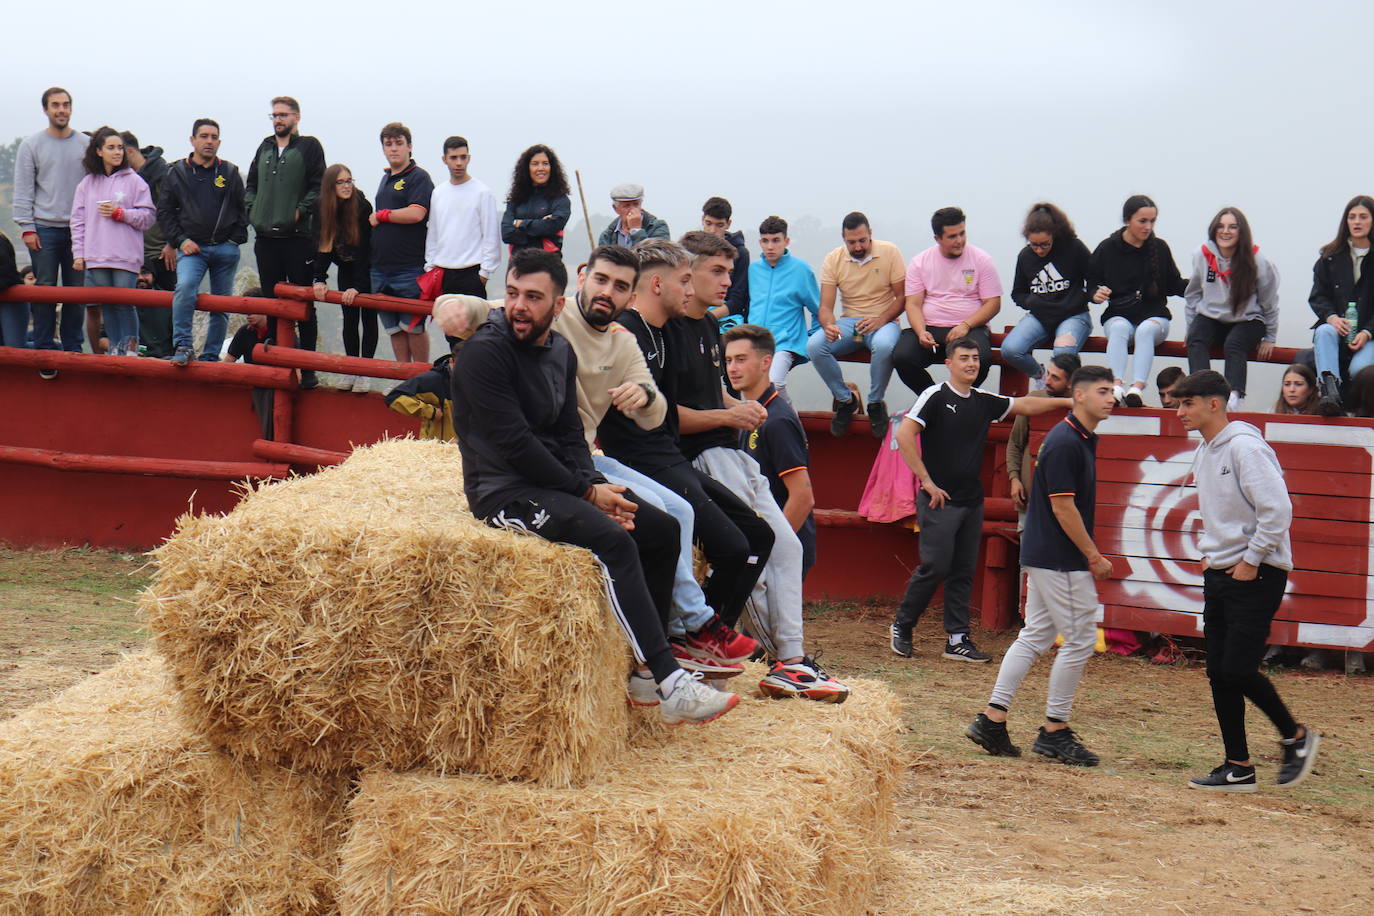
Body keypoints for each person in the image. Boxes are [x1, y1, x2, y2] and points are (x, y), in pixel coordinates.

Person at [448, 248, 737, 726]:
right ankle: (671, 681)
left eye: (534, 298)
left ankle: (645, 673)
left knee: (661, 527)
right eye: (514, 294)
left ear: (557, 305)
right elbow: (516, 444)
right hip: (503, 492)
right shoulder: (484, 352)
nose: (520, 306)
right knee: (613, 540)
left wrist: (594, 484)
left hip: (556, 482)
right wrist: (587, 495)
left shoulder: (560, 351)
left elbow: (568, 436)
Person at [674, 230, 849, 702]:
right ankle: (776, 661)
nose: (730, 280)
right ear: (686, 277)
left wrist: (736, 405)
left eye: (730, 270)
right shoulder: (667, 332)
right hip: (700, 459)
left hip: (731, 453)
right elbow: (662, 416)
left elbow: (714, 397)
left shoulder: (711, 328)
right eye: (719, 271)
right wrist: (731, 412)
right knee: (752, 547)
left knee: (787, 547)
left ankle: (791, 660)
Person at [595, 239, 775, 675]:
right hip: (642, 460)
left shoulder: (663, 330)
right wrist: (725, 413)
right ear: (658, 284)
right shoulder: (629, 332)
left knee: (759, 536)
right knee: (726, 543)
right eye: (686, 281)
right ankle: (686, 637)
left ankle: (704, 637)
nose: (691, 291)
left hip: (666, 455)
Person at [1173, 370, 1321, 792]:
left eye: (1188, 403)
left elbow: (1277, 509)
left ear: (1213, 404)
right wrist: (1209, 555)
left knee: (1236, 668)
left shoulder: (1244, 447)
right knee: (1220, 672)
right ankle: (1238, 766)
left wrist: (1252, 559)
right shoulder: (1206, 449)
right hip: (1222, 570)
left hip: (1254, 573)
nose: (1180, 411)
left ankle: (1296, 737)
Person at [965, 364, 1117, 766]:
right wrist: (1093, 556)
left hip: (1046, 553)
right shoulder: (1068, 441)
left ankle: (993, 718)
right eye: (1103, 391)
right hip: (1060, 557)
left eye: (1112, 391)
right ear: (1080, 395)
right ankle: (1054, 729)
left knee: (1035, 636)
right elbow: (1063, 507)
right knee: (1081, 640)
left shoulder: (1071, 437)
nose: (1111, 397)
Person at [889, 337, 1072, 663]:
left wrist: (1068, 404)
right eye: (964, 358)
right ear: (949, 363)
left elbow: (1025, 406)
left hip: (971, 501)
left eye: (975, 358)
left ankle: (957, 640)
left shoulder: (982, 399)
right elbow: (904, 435)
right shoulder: (934, 395)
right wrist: (927, 482)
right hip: (939, 500)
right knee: (935, 566)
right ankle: (903, 625)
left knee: (962, 570)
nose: (971, 364)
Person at [723, 324, 817, 578]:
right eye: (729, 360)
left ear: (766, 362)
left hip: (780, 556)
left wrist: (772, 552)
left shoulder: (777, 420)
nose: (732, 368)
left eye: (741, 360)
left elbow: (803, 497)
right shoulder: (751, 413)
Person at [245, 96, 325, 387]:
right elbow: (251, 182)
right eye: (274, 115)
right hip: (266, 238)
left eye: (284, 115)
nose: (278, 119)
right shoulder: (265, 146)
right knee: (272, 303)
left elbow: (319, 186)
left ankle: (308, 367)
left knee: (303, 304)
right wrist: (251, 208)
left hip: (298, 238)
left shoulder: (310, 147)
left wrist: (300, 211)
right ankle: (278, 361)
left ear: (297, 117)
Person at [158, 118, 247, 367]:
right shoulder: (176, 172)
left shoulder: (229, 172)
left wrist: (234, 241)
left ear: (219, 142)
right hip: (191, 248)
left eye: (214, 137)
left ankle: (210, 355)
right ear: (192, 140)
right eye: (204, 136)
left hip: (225, 249)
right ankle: (184, 345)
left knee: (222, 302)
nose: (209, 141)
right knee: (185, 288)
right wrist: (180, 240)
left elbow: (243, 208)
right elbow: (165, 212)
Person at [808, 212, 906, 437]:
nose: (858, 246)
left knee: (883, 346)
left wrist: (880, 320)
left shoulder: (890, 252)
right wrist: (828, 325)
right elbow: (825, 307)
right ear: (843, 239)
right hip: (850, 322)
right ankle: (845, 399)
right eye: (852, 242)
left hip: (884, 319)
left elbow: (902, 298)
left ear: (870, 234)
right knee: (815, 346)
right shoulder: (834, 259)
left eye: (863, 240)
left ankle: (874, 402)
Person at [893, 207, 1004, 400]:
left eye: (962, 233)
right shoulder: (920, 262)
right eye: (952, 236)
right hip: (930, 328)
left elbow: (993, 303)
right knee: (902, 357)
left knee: (982, 359)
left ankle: (960, 399)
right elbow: (913, 304)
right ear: (937, 238)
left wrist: (966, 325)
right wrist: (920, 332)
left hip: (969, 327)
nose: (959, 240)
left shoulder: (981, 260)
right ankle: (935, 399)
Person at [1089, 194, 1188, 407]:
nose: (1148, 227)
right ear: (1127, 220)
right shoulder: (1108, 248)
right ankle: (1116, 386)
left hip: (1155, 318)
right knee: (1119, 328)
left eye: (1152, 221)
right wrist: (1094, 294)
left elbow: (1174, 284)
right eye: (1143, 221)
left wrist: (1203, 287)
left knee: (1145, 330)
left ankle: (1137, 388)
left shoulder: (1159, 248)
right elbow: (1090, 283)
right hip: (1118, 315)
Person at [14, 87, 86, 360]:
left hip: (77, 229)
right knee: (44, 289)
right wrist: (27, 227)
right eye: (55, 105)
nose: (61, 110)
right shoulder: (31, 145)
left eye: (66, 105)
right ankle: (44, 349)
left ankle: (73, 349)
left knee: (75, 292)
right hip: (43, 226)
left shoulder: (85, 145)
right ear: (46, 109)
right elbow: (23, 190)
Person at [70, 127, 156, 356]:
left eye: (120, 148)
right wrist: (79, 254)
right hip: (96, 257)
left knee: (125, 304)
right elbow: (77, 221)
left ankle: (130, 351)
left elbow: (148, 218)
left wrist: (121, 213)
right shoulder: (86, 184)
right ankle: (116, 351)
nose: (117, 152)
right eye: (111, 148)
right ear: (98, 151)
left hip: (126, 257)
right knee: (107, 305)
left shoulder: (135, 182)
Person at [1184, 207, 1279, 411]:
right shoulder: (1201, 255)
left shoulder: (1256, 260)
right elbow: (1192, 294)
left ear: (1241, 231)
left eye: (1232, 227)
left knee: (1234, 344)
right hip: (1212, 316)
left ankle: (1234, 396)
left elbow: (1269, 299)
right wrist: (1191, 326)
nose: (1225, 231)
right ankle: (1201, 391)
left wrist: (1270, 337)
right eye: (1221, 226)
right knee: (1196, 338)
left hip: (1248, 318)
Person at [998, 203, 1093, 388]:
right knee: (1010, 349)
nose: (1040, 250)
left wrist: (1089, 295)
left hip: (1073, 315)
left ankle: (1067, 394)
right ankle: (1042, 376)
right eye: (1034, 245)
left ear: (1054, 235)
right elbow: (1018, 293)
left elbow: (1094, 277)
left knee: (1062, 354)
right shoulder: (1025, 256)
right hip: (1040, 316)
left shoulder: (1073, 247)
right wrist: (1031, 302)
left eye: (1045, 244)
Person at [370, 122, 435, 364]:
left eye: (399, 143)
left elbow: (417, 213)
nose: (394, 149)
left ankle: (419, 378)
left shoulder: (418, 177)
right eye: (389, 144)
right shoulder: (385, 178)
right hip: (380, 267)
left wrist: (382, 215)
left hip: (409, 267)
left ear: (410, 147)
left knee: (413, 327)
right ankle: (401, 378)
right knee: (394, 330)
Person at [1308, 195, 1374, 412]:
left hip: (1370, 333)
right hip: (1337, 328)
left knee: (1360, 370)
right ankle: (1329, 395)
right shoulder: (1329, 257)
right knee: (1324, 332)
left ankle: (1359, 413)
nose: (1357, 222)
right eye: (1352, 217)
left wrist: (1367, 332)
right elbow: (1318, 296)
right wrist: (1332, 318)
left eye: (1363, 217)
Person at [312, 163, 375, 391]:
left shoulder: (362, 207)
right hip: (346, 266)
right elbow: (324, 246)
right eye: (341, 182)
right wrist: (319, 279)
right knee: (349, 318)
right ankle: (350, 369)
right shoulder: (322, 207)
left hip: (367, 266)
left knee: (368, 317)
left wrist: (358, 287)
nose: (347, 186)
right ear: (331, 186)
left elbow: (365, 249)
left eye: (349, 180)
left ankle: (364, 371)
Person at [425, 136, 500, 317]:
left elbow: (491, 236)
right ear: (444, 159)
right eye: (453, 158)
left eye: (463, 157)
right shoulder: (438, 192)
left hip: (472, 272)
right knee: (451, 331)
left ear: (469, 158)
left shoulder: (482, 192)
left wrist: (484, 274)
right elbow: (434, 232)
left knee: (475, 331)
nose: (459, 163)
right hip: (443, 273)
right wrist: (430, 267)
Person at [745, 215, 818, 399]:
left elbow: (817, 307)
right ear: (760, 242)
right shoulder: (754, 270)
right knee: (753, 393)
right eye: (765, 241)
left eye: (776, 240)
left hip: (785, 342)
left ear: (786, 241)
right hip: (755, 341)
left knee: (774, 383)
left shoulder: (801, 270)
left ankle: (792, 426)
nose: (770, 246)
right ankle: (765, 428)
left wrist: (811, 337)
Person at [1006, 352, 1080, 526]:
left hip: (1069, 502)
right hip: (1031, 498)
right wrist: (1014, 478)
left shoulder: (1085, 405)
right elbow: (1015, 443)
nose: (1047, 381)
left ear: (1071, 382)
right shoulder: (1034, 399)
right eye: (1048, 374)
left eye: (1055, 378)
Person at [119, 132, 175, 358]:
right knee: (131, 306)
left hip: (162, 252)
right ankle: (131, 350)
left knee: (169, 306)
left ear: (130, 151)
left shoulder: (162, 174)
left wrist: (172, 243)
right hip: (133, 253)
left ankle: (171, 352)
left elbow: (173, 209)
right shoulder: (123, 177)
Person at [500, 144, 571, 255]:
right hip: (518, 265)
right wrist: (540, 227)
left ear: (552, 167)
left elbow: (554, 225)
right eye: (535, 164)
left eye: (545, 164)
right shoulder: (516, 198)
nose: (540, 168)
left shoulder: (560, 199)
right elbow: (506, 233)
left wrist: (521, 224)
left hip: (548, 265)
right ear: (526, 168)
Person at [700, 196, 750, 320]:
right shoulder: (690, 249)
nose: (712, 230)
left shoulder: (740, 253)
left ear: (728, 224)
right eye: (708, 223)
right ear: (702, 220)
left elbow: (737, 300)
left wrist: (707, 319)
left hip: (723, 320)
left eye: (719, 225)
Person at [598, 183, 670, 248]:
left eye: (636, 204)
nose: (632, 210)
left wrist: (636, 231)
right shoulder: (607, 236)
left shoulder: (658, 227)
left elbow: (659, 257)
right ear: (615, 208)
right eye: (626, 206)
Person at [0, 236, 30, 348]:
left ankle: (52, 348)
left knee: (14, 346)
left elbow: (7, 272)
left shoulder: (1, 242)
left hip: (10, 298)